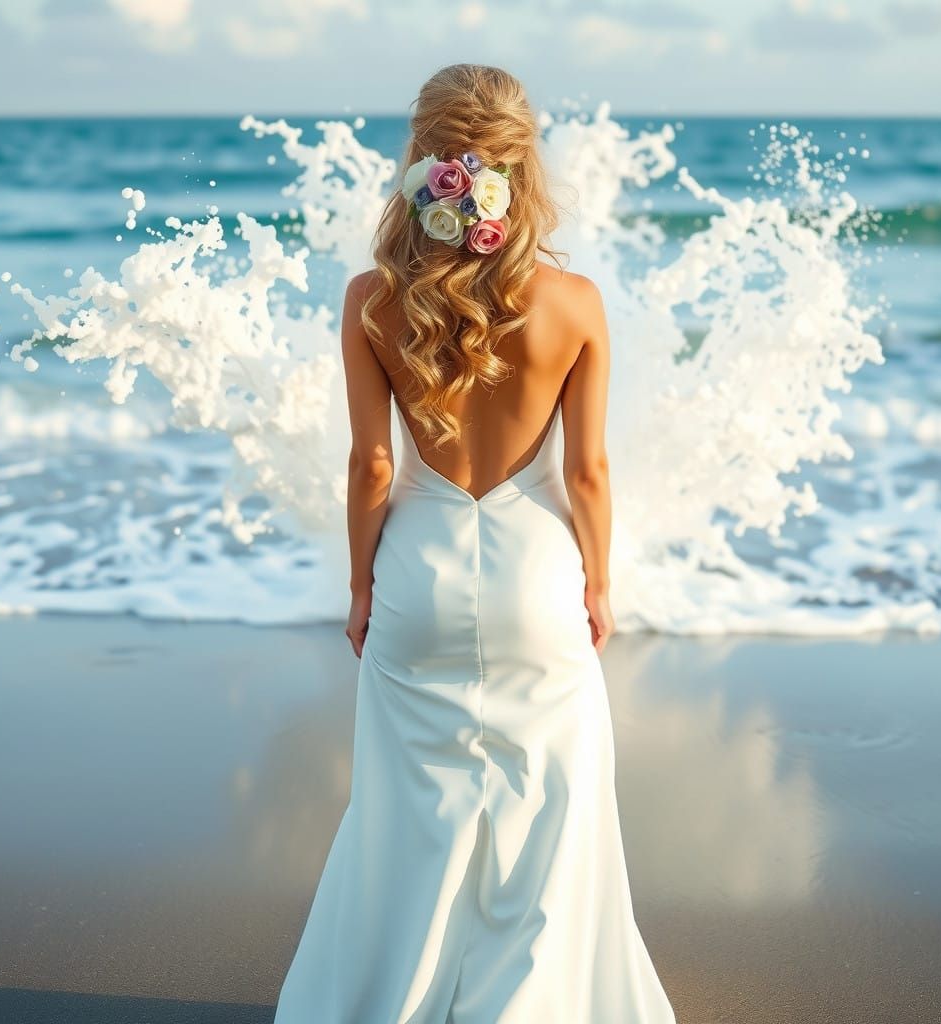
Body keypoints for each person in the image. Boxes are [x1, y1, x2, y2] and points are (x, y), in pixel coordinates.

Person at [273, 63, 676, 1023]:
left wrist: (363, 586)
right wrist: (601, 585)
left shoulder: (373, 298)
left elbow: (373, 467)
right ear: (523, 165)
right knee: (553, 809)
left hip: (420, 575)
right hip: (541, 577)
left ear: (420, 161)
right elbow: (587, 475)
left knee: (408, 812)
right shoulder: (575, 302)